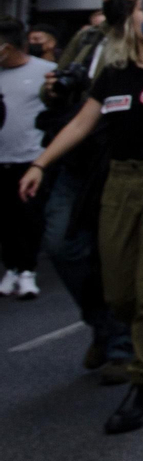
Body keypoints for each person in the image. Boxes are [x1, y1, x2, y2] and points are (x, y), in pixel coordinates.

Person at [20, 0, 143, 433]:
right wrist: (40, 164)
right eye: (139, 14)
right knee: (119, 296)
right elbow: (81, 123)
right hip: (121, 180)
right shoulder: (114, 71)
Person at [34, 0, 143, 382]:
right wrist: (55, 87)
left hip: (120, 160)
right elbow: (62, 87)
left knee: (113, 256)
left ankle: (122, 342)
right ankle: (103, 325)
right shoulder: (87, 38)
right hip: (78, 158)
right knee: (62, 244)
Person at [0, 18, 54, 299]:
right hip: (2, 157)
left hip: (32, 158)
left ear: (7, 47)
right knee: (6, 217)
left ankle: (28, 271)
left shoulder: (46, 72)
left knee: (29, 216)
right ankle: (10, 268)